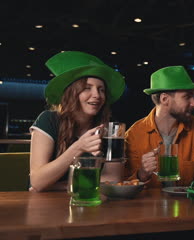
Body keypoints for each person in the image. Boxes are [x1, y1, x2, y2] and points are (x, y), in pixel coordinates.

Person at [29, 51, 126, 192]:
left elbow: (113, 179)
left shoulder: (111, 127)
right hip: (44, 205)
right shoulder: (48, 119)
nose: (97, 95)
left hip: (89, 202)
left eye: (101, 90)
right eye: (87, 88)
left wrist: (56, 186)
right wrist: (78, 147)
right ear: (72, 93)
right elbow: (38, 180)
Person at [124, 66, 194, 188]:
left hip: (188, 207)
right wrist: (142, 174)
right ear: (165, 99)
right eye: (187, 97)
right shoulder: (133, 135)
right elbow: (122, 184)